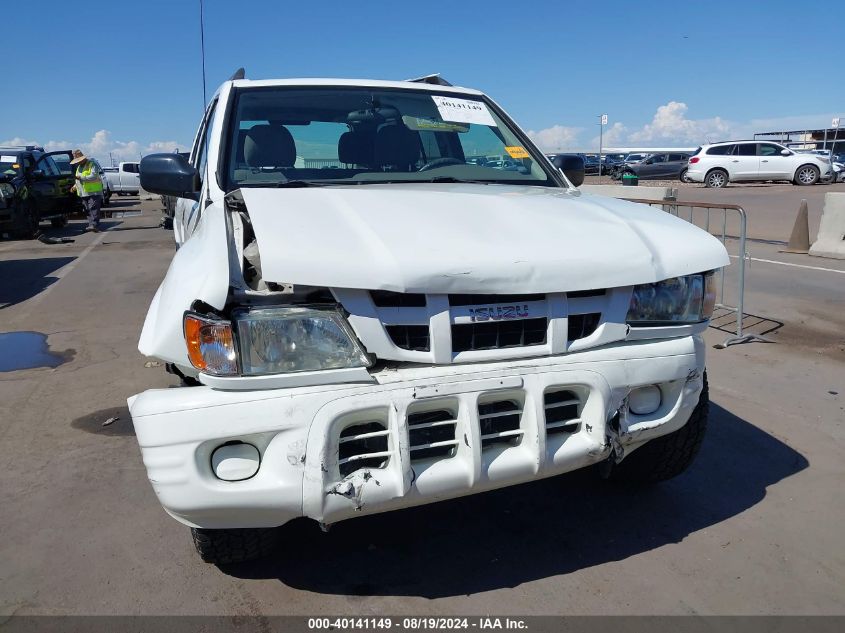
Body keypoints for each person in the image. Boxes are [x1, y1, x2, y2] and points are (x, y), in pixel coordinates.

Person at [69, 149, 104, 232]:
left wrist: (81, 178)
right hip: (83, 192)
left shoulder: (92, 164)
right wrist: (74, 187)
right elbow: (78, 180)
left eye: (79, 160)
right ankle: (91, 225)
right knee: (87, 210)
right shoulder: (79, 167)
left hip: (94, 191)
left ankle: (94, 225)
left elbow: (93, 176)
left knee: (93, 208)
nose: (78, 162)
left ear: (83, 158)